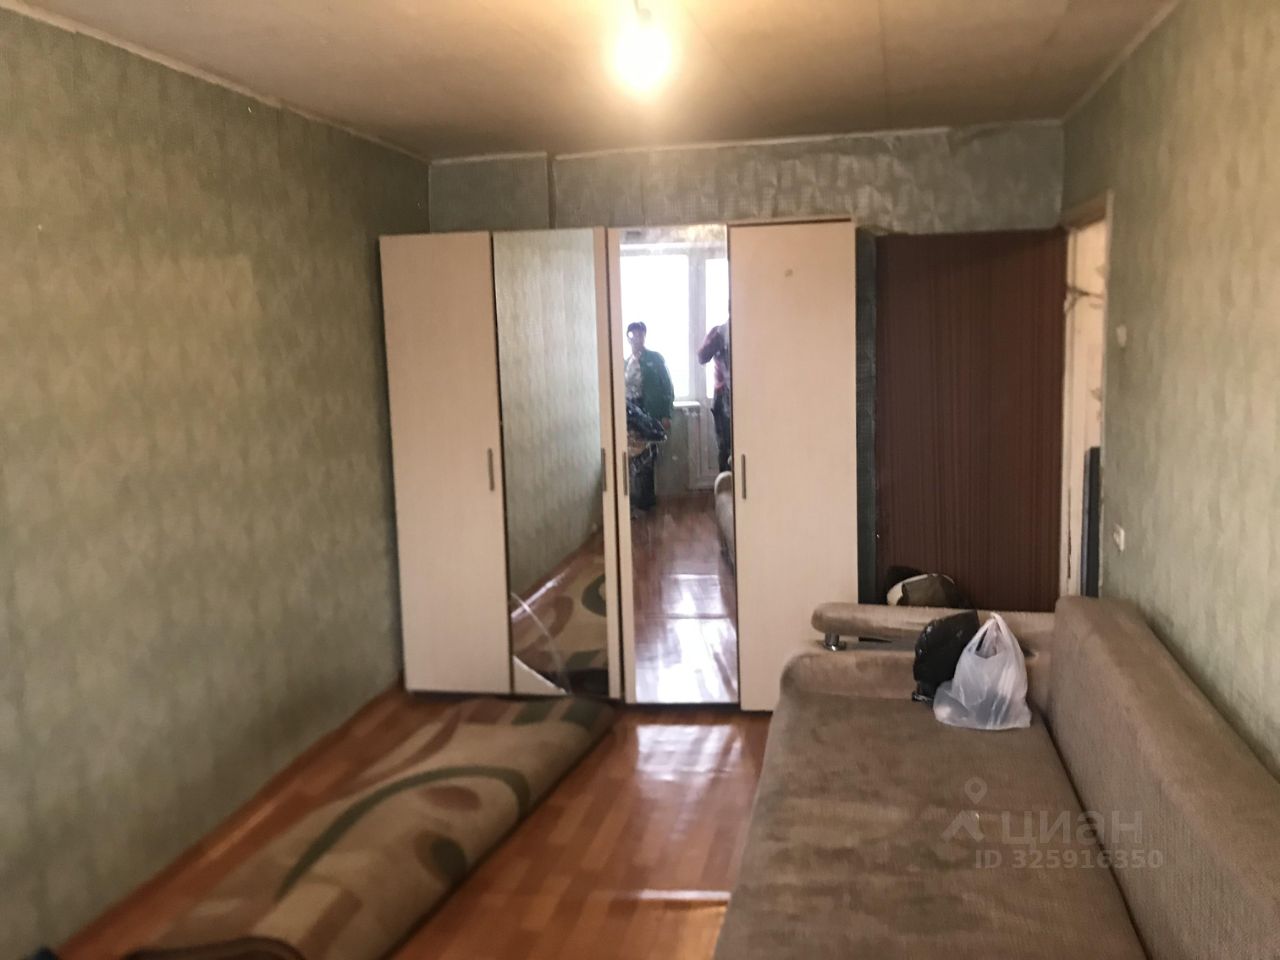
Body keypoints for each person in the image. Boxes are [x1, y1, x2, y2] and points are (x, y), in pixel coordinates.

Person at [624, 322, 674, 511]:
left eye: (640, 335)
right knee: (634, 455)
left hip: (649, 413)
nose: (636, 339)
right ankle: (637, 500)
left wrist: (666, 414)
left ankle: (647, 501)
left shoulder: (655, 359)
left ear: (644, 336)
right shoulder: (626, 362)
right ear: (628, 338)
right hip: (631, 414)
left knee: (648, 456)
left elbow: (667, 386)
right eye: (633, 335)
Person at [697, 321, 732, 472]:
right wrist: (717, 339)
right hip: (723, 394)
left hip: (745, 395)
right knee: (725, 447)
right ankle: (727, 483)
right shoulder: (719, 332)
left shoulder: (747, 331)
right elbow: (702, 357)